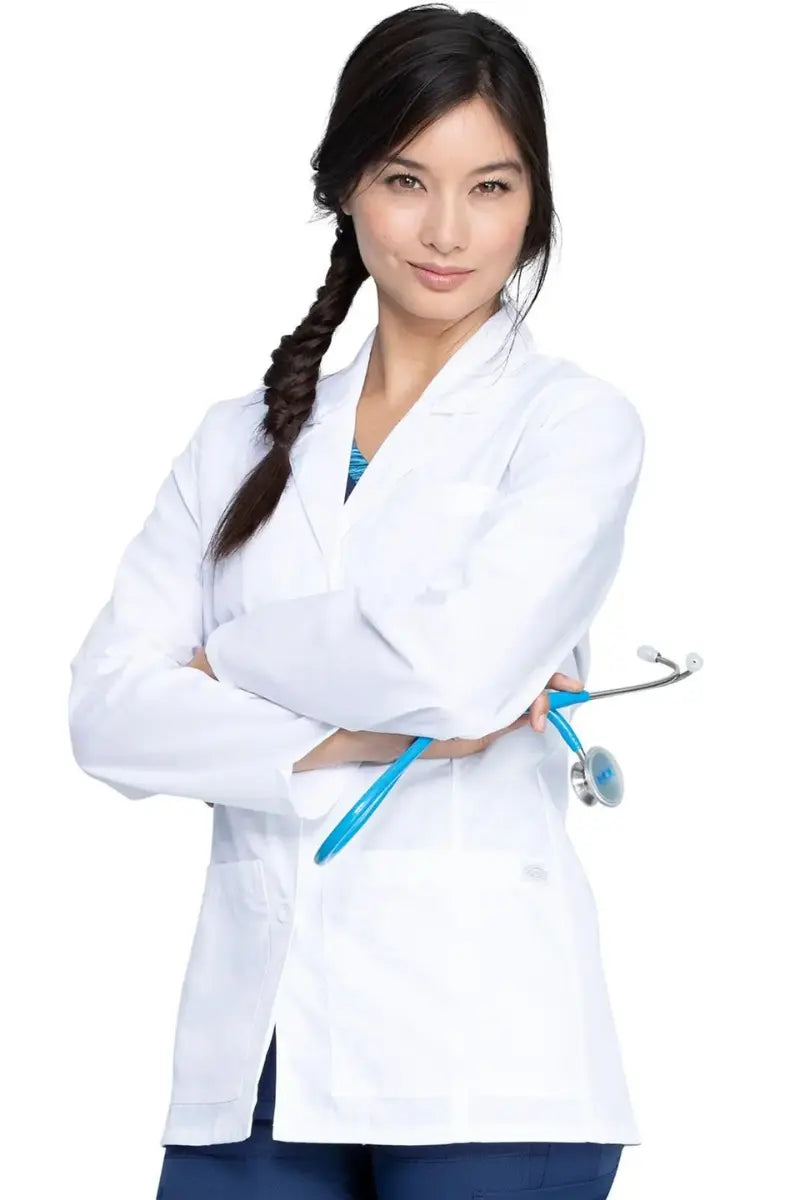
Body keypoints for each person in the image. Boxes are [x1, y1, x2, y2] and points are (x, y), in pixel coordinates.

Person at [68, 6, 646, 1197]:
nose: (447, 231)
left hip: (483, 1059)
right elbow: (109, 714)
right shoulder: (234, 440)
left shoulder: (570, 426)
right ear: (343, 188)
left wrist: (220, 660)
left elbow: (454, 671)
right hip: (255, 1061)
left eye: (489, 186)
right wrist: (348, 733)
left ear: (533, 201)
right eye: (404, 180)